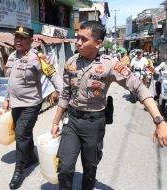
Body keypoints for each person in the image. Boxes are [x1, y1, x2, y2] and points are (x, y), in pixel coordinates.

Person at [50, 20, 167, 190]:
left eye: (84, 39)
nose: (78, 42)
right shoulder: (71, 62)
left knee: (90, 170)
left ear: (98, 43)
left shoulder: (110, 64)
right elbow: (66, 94)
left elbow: (139, 88)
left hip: (94, 124)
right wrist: (55, 122)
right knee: (64, 168)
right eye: (78, 38)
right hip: (72, 121)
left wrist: (159, 120)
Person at [2, 26, 62, 189]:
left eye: (22, 38)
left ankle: (19, 171)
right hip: (15, 104)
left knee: (21, 134)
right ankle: (31, 157)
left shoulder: (38, 57)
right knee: (23, 134)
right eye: (16, 37)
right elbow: (11, 80)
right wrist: (7, 98)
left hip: (31, 105)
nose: (18, 41)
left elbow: (53, 75)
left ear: (31, 40)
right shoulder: (13, 56)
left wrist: (64, 95)